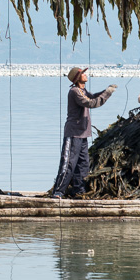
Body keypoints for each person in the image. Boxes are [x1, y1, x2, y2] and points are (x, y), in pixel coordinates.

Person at [52, 67, 117, 199]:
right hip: (74, 133)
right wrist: (107, 94)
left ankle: (79, 191)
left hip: (83, 134)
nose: (85, 75)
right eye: (82, 73)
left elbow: (92, 96)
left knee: (83, 164)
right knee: (69, 163)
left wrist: (106, 91)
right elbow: (91, 103)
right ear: (77, 78)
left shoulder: (82, 91)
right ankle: (58, 191)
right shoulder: (75, 91)